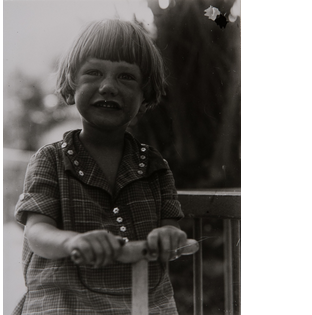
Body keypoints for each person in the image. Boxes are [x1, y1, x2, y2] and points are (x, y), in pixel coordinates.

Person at [12, 19, 187, 315]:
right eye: (94, 73)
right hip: (65, 304)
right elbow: (37, 232)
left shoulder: (155, 166)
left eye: (126, 77)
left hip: (141, 304)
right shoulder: (50, 160)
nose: (108, 86)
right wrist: (72, 242)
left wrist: (170, 236)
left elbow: (171, 226)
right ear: (71, 85)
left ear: (145, 94)